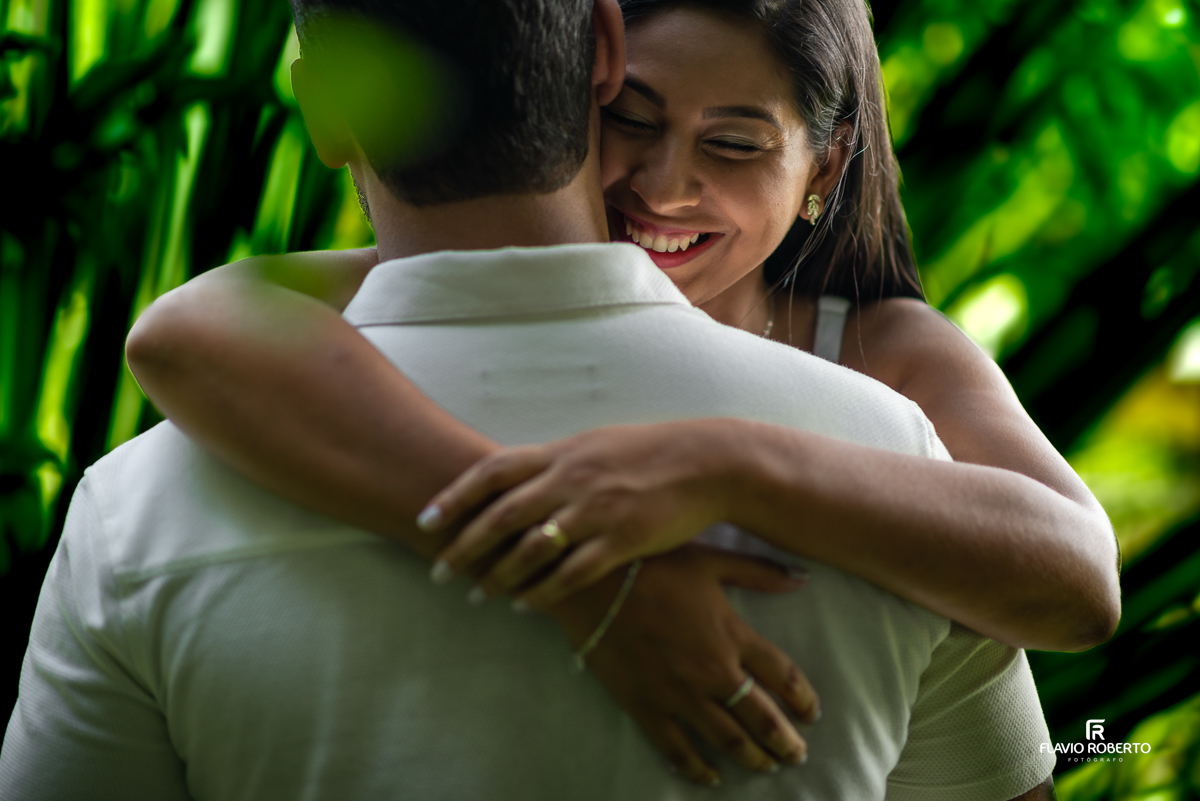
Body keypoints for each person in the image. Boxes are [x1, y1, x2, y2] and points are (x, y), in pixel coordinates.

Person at [1, 1, 1060, 799]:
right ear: (604, 58)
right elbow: (188, 329)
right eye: (639, 122)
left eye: (734, 144)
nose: (662, 186)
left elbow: (1072, 570)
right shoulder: (892, 452)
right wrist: (590, 582)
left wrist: (725, 462)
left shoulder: (142, 506)